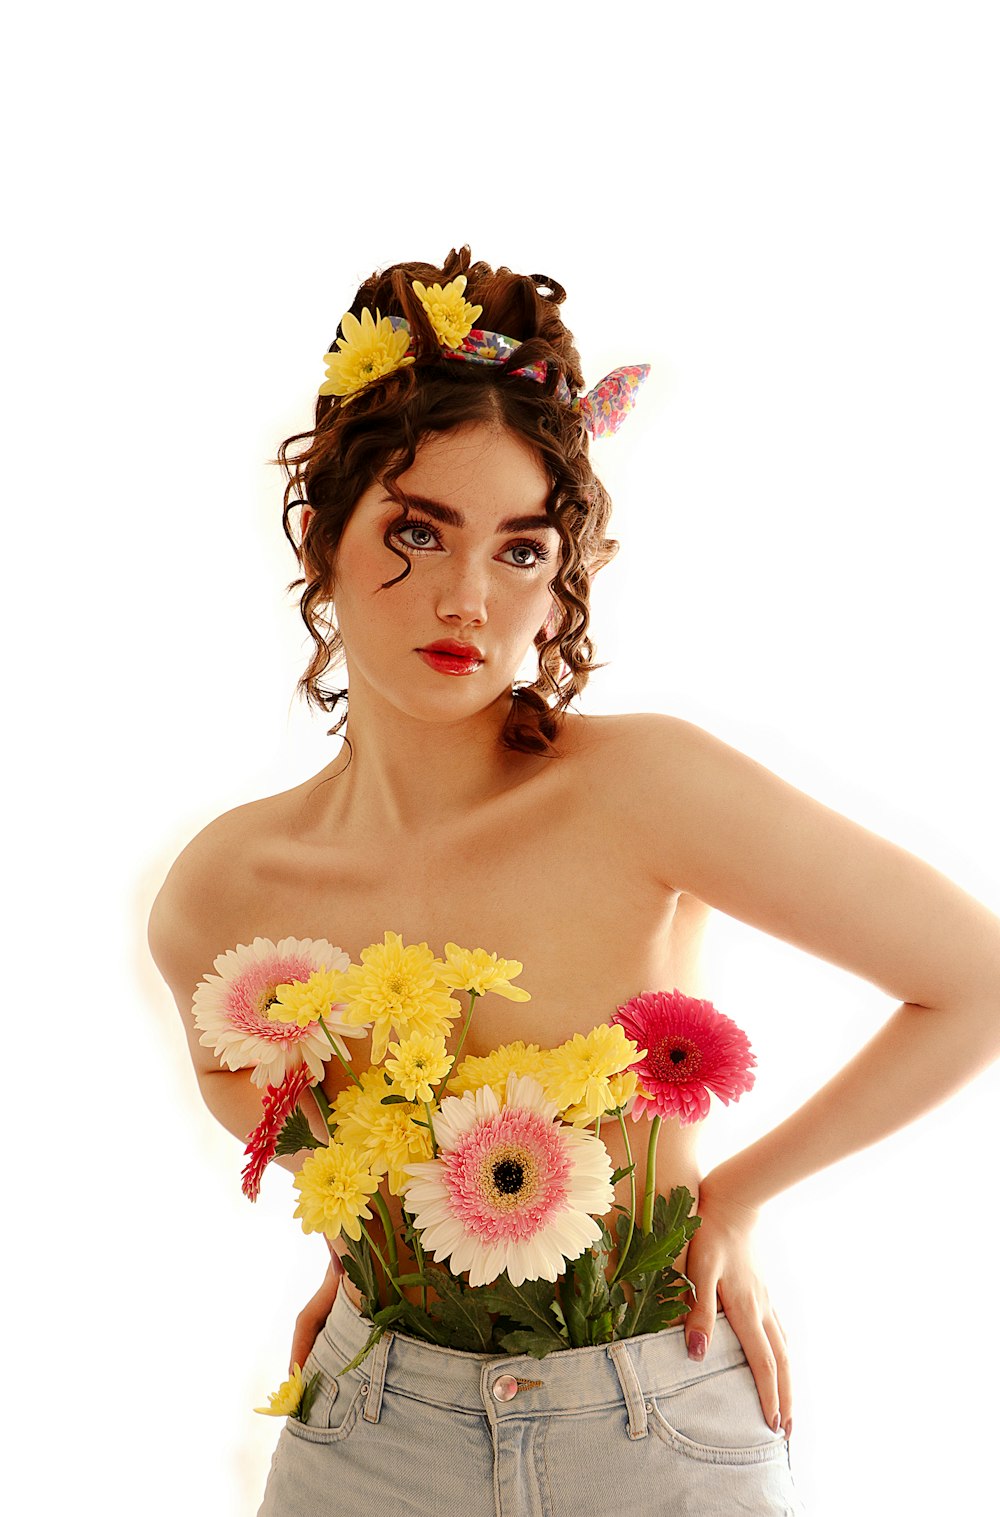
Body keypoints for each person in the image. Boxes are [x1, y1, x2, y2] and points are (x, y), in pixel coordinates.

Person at [147, 245, 1000, 1515]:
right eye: (417, 531)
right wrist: (384, 1278)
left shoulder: (641, 788)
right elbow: (331, 1167)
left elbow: (973, 979)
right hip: (372, 1434)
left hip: (658, 1421)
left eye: (521, 549)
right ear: (323, 541)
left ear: (562, 581)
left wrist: (730, 1201)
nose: (465, 598)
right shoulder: (221, 894)